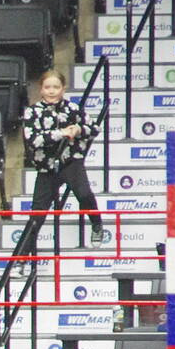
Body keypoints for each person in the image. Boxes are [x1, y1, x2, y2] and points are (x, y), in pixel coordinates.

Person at [15, 70, 108, 276]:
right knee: (37, 213)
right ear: (41, 89)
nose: (51, 91)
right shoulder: (32, 112)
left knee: (84, 194)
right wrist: (61, 133)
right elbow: (33, 140)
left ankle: (97, 224)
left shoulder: (72, 108)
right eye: (47, 87)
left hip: (71, 162)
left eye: (56, 87)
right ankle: (20, 258)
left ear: (63, 89)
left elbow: (93, 128)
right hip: (46, 167)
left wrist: (78, 130)